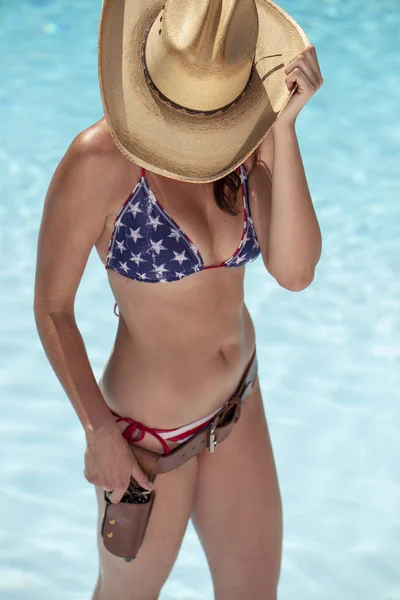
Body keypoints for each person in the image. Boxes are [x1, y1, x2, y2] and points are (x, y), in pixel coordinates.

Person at [34, 0, 323, 598]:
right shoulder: (98, 160)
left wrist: (284, 129)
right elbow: (52, 307)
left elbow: (294, 272)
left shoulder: (246, 137)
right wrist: (99, 434)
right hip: (147, 440)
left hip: (238, 405)